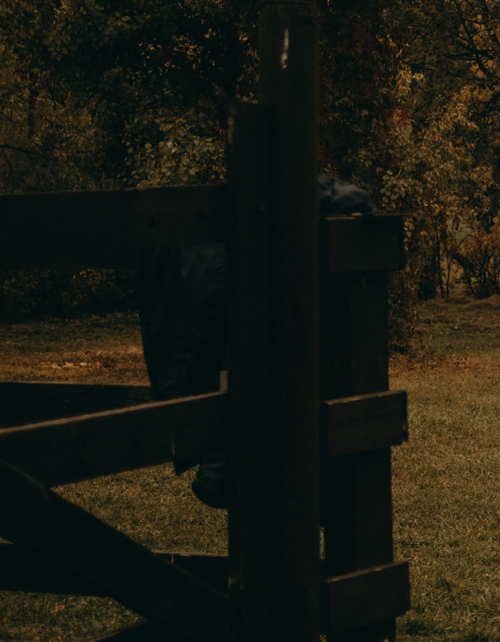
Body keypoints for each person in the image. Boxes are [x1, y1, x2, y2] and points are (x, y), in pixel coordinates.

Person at [139, 176, 373, 508]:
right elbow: (354, 200)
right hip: (239, 353)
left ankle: (226, 463)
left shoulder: (216, 214)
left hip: (221, 359)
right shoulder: (264, 204)